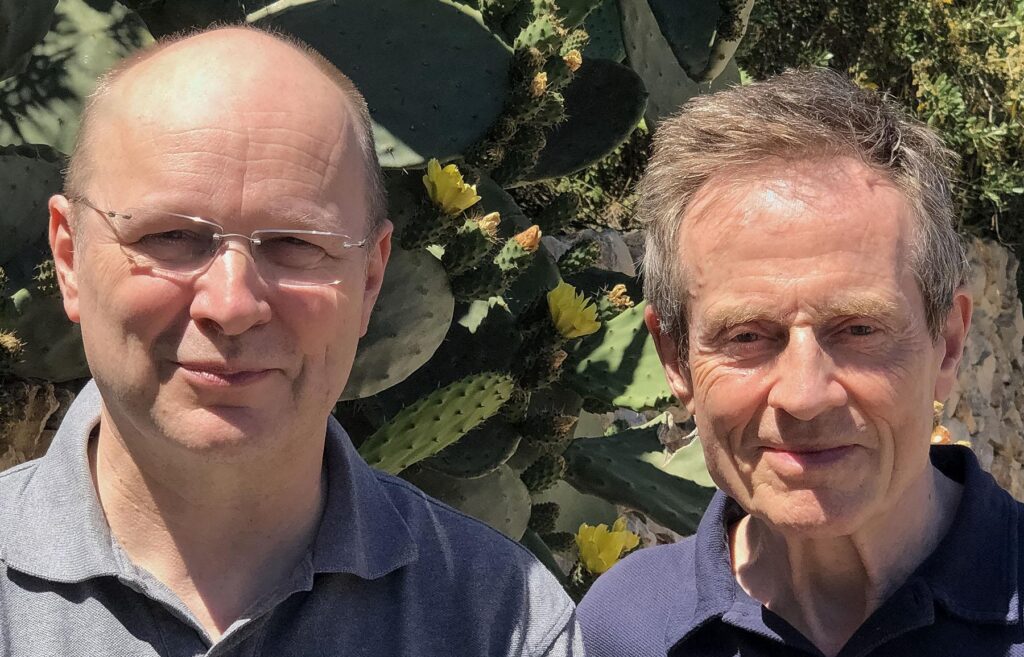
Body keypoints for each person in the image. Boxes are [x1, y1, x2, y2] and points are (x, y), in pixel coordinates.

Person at [0, 26, 581, 656]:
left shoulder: (505, 622)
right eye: (168, 236)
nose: (231, 305)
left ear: (370, 278)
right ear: (69, 257)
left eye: (296, 244)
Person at [578, 68, 1024, 657]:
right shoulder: (623, 629)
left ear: (947, 344)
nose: (804, 394)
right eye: (746, 337)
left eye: (859, 329)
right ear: (676, 360)